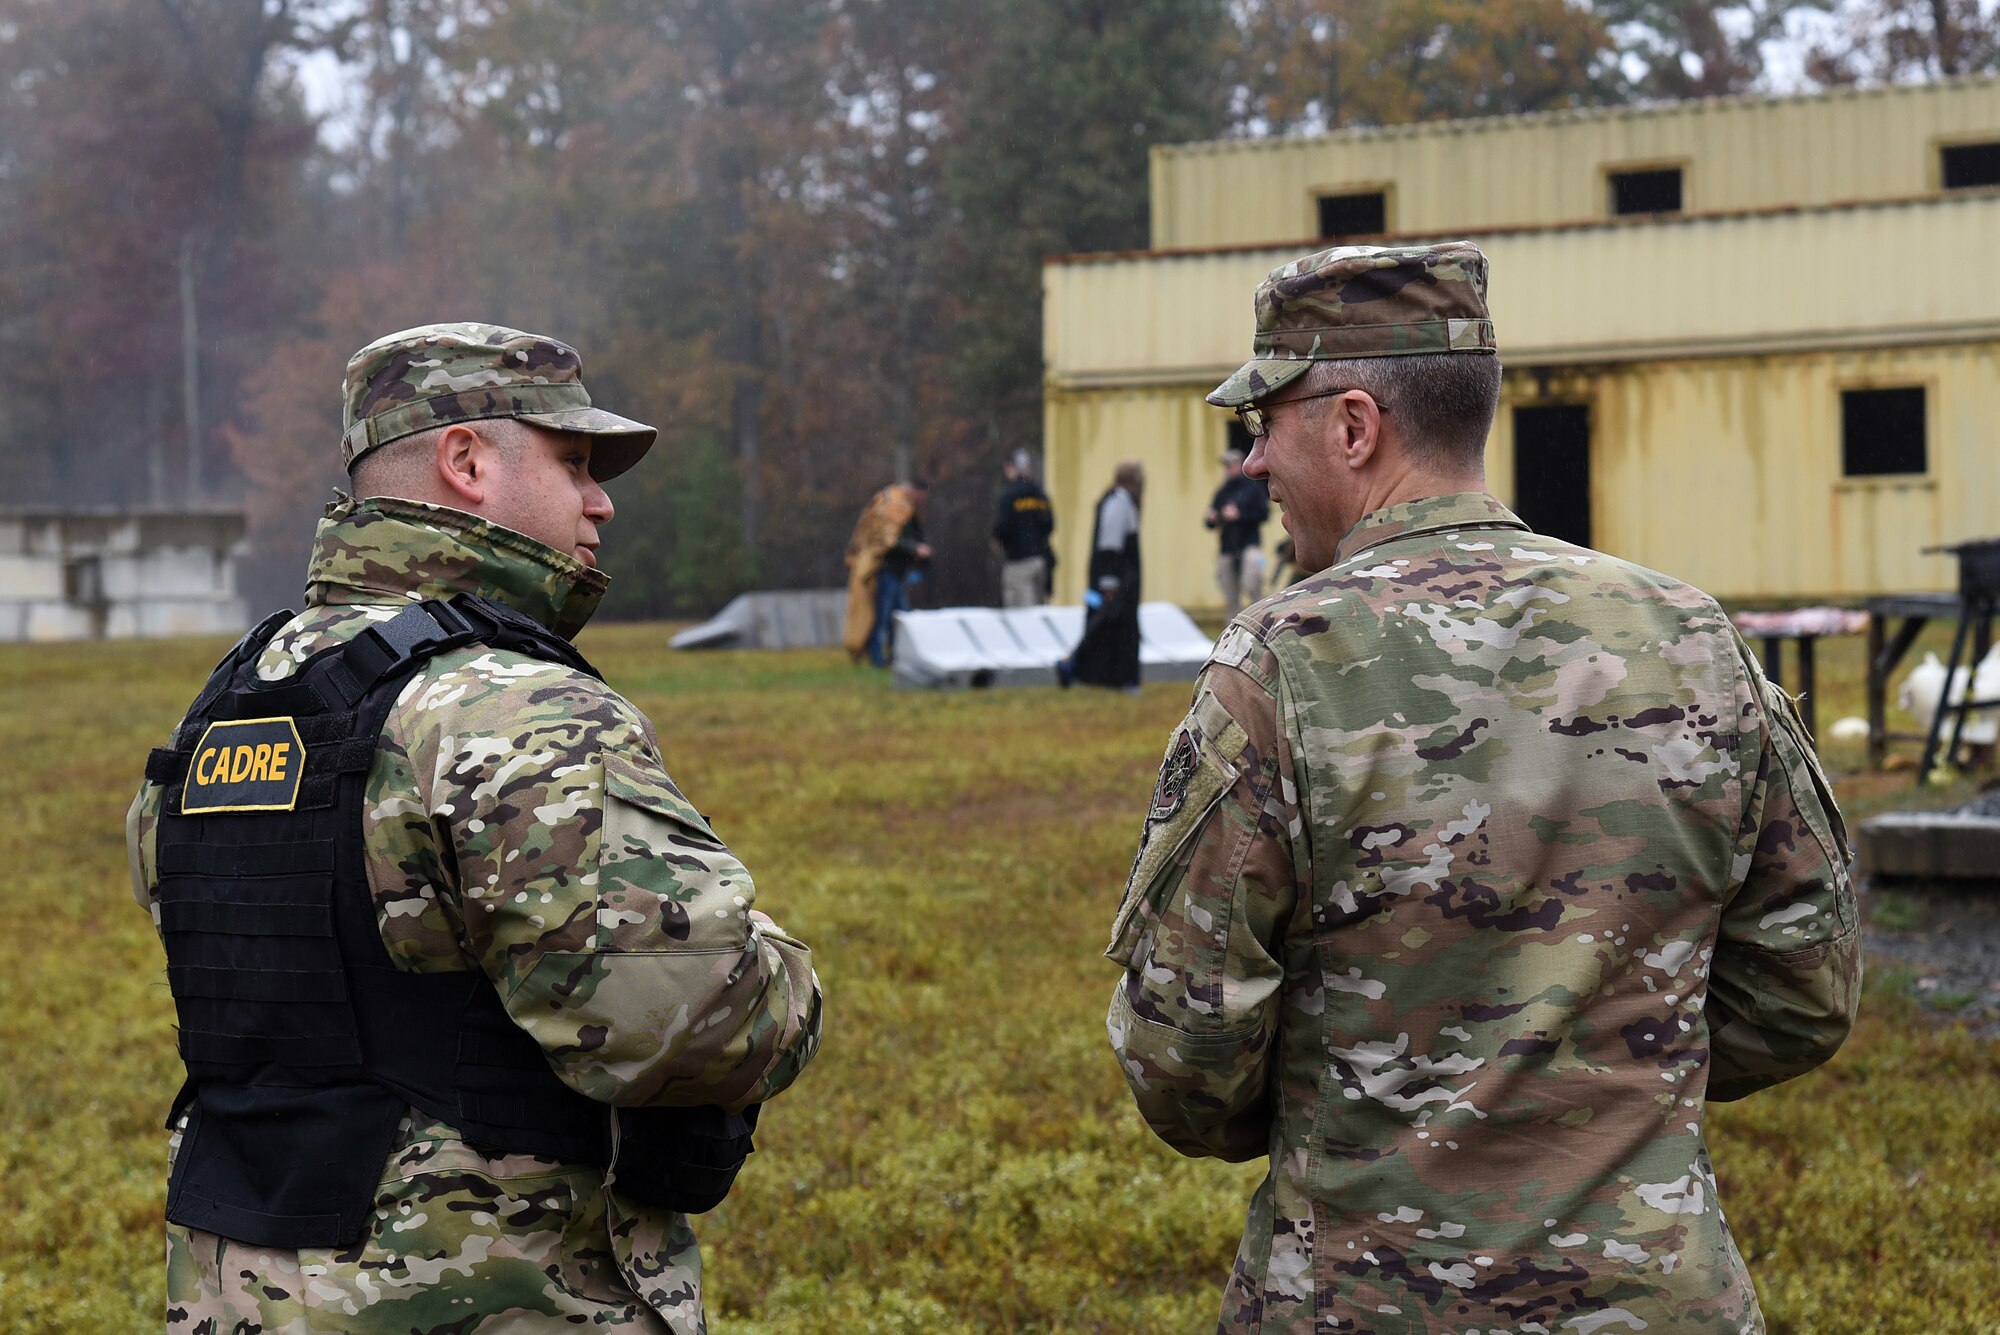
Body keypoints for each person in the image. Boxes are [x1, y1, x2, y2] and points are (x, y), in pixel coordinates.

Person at [1104, 243, 1858, 1334]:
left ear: (1354, 426)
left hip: (1360, 1300)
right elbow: (1802, 992)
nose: (1252, 460)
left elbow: (1184, 1059)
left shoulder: (1279, 667)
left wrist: (1371, 1099)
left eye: (1263, 422)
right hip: (1652, 1303)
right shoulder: (1692, 637)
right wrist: (1600, 1091)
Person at [126, 323, 823, 1333]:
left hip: (241, 1293)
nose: (601, 501)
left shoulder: (233, 700)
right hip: (487, 1289)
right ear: (465, 462)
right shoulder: (510, 707)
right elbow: (685, 1021)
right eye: (574, 462)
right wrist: (785, 973)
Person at [1059, 460, 1144, 691]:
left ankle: (1110, 678)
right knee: (1104, 625)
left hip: (1114, 581)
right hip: (1115, 581)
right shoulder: (1119, 502)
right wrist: (1109, 584)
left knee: (1106, 625)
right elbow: (1110, 547)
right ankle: (1073, 666)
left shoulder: (1117, 500)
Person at [842, 477, 932, 667]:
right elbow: (887, 540)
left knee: (898, 618)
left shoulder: (905, 505)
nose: (922, 502)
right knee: (881, 616)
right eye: (921, 497)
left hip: (896, 572)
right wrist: (915, 549)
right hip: (884, 570)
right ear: (914, 490)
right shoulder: (893, 504)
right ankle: (877, 658)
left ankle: (896, 656)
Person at [1204, 446, 1270, 616]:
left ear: (1240, 464)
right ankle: (1232, 636)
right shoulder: (1222, 492)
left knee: (1253, 588)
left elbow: (1264, 514)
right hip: (1228, 548)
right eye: (1226, 465)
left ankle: (1261, 626)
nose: (1228, 469)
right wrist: (1211, 518)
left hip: (1249, 545)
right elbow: (1211, 521)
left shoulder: (1253, 488)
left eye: (1231, 465)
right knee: (1230, 596)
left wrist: (1240, 515)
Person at [992, 447, 1055, 608]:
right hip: (1040, 560)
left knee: (1021, 615)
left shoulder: (1010, 495)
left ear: (1012, 467)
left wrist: (1000, 542)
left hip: (1018, 561)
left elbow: (1002, 527)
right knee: (1038, 608)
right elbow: (1049, 525)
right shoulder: (1039, 493)